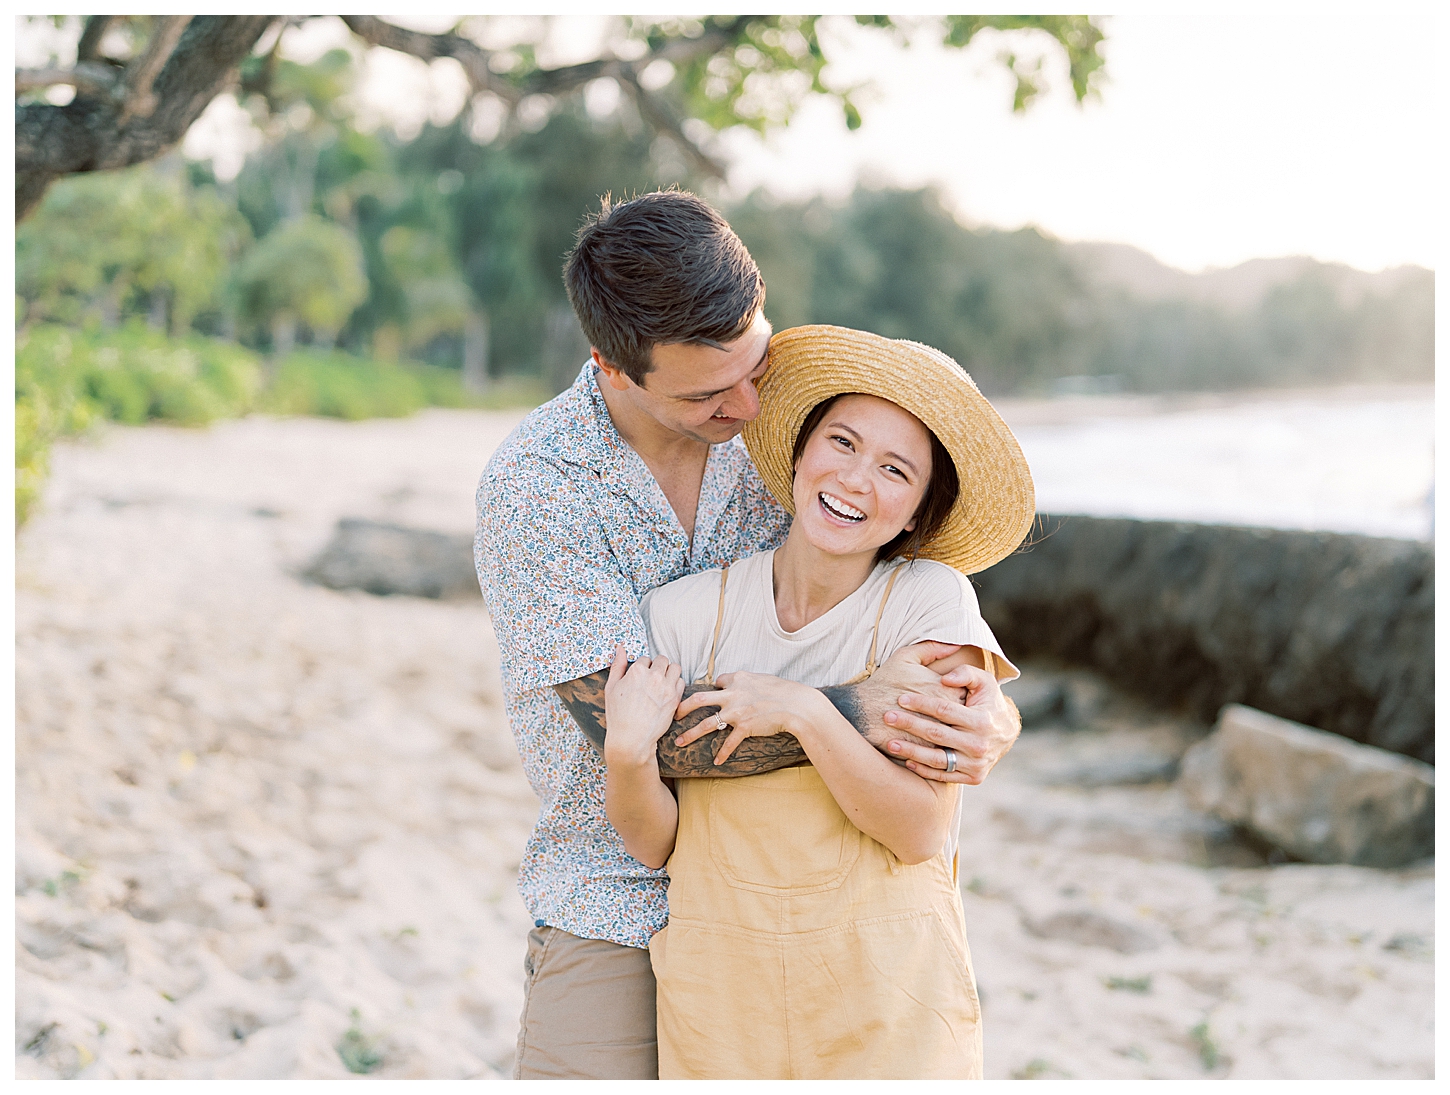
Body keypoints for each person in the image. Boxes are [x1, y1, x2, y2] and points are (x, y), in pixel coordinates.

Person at [474, 191, 1023, 1080]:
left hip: (817, 892)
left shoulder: (800, 429)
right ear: (615, 370)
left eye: (754, 361)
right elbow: (638, 737)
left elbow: (896, 589)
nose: (745, 401)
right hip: (619, 882)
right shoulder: (538, 490)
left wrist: (979, 714)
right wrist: (853, 709)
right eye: (705, 392)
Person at [602, 325, 1035, 1079]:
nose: (857, 479)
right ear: (800, 451)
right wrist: (626, 754)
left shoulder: (929, 605)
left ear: (914, 515)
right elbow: (658, 844)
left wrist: (802, 709)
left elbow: (919, 828)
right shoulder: (682, 613)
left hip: (886, 997)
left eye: (895, 469)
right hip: (722, 994)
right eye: (842, 442)